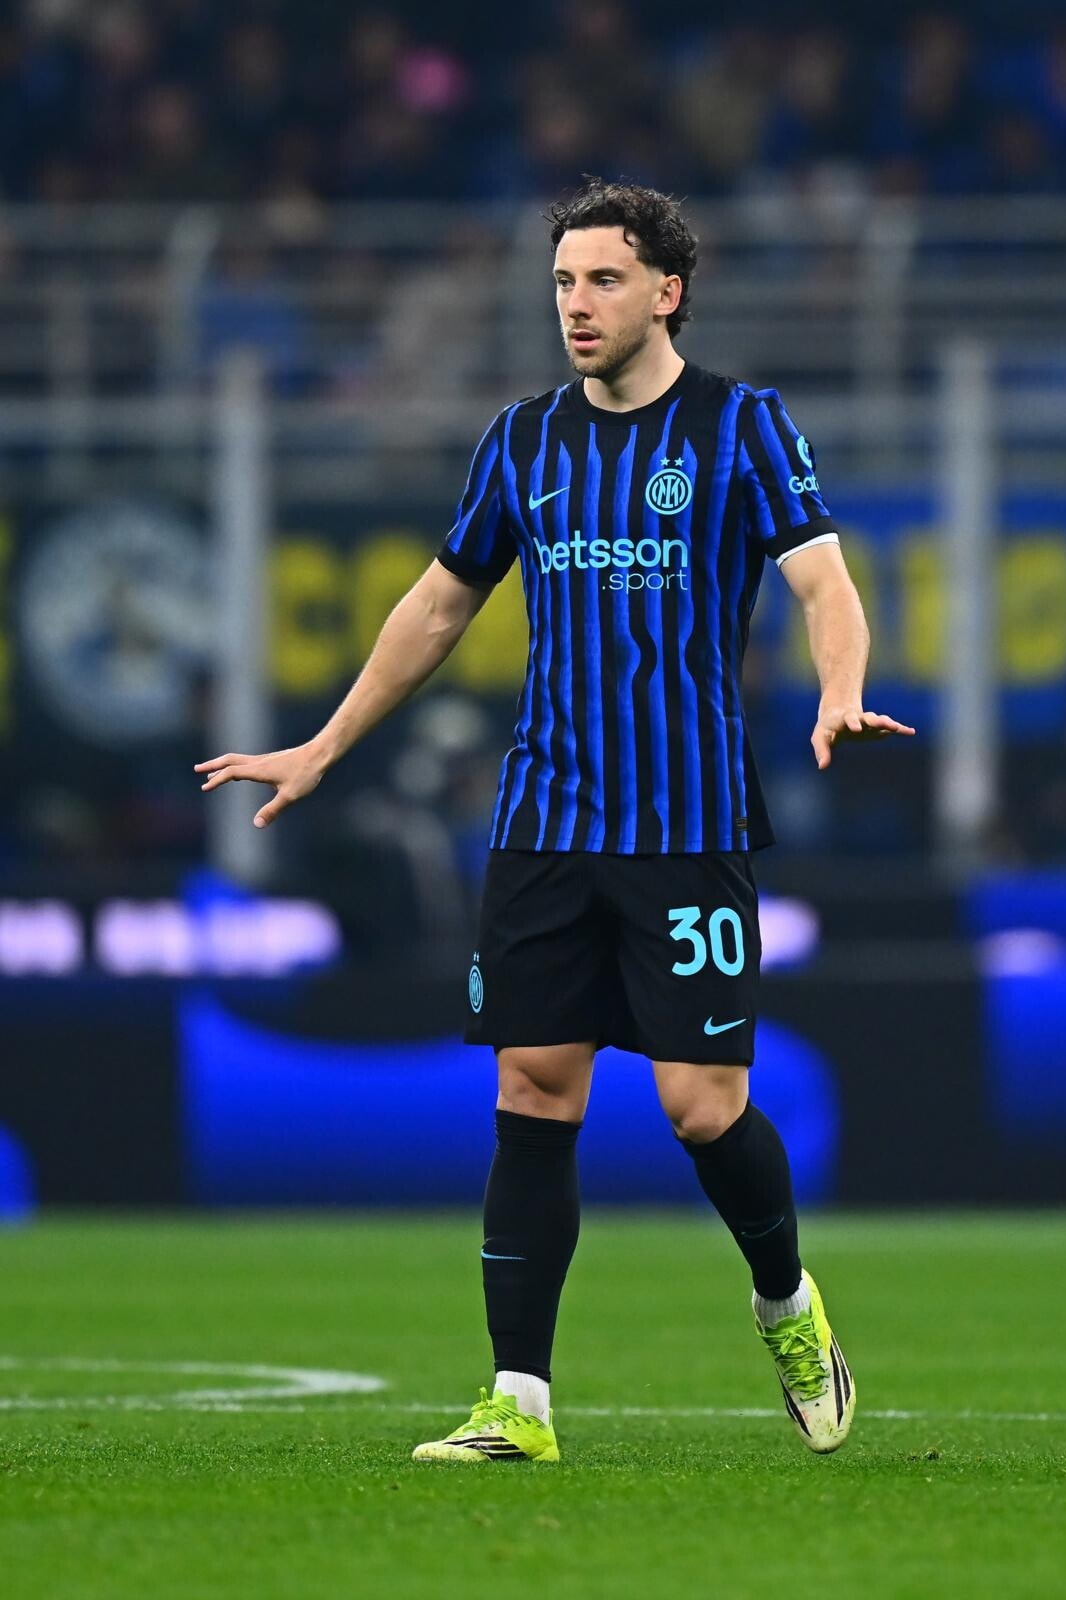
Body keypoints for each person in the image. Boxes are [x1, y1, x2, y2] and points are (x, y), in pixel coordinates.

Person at [196, 178, 914, 1464]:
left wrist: (840, 689)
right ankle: (516, 1400)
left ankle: (787, 1302)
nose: (577, 305)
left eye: (603, 280)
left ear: (667, 292)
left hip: (687, 824)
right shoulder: (521, 442)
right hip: (544, 825)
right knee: (533, 1088)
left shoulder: (742, 426)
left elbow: (822, 580)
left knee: (703, 1108)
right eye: (564, 283)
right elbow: (437, 605)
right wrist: (325, 744)